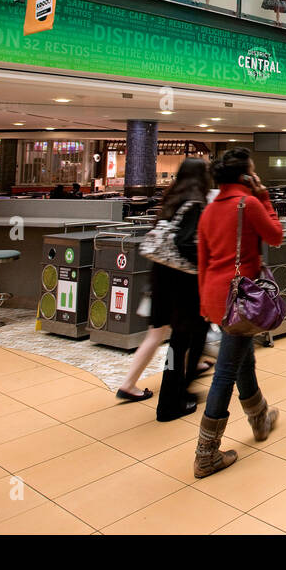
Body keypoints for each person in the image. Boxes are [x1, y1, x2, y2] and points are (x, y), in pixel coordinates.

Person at [192, 148, 284, 478]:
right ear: (245, 176)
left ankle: (260, 419)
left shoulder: (208, 211)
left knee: (244, 358)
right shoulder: (249, 204)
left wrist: (206, 304)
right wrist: (264, 196)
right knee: (227, 370)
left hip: (217, 296)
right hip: (242, 298)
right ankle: (206, 453)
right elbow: (275, 235)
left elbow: (202, 262)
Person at [116, 157, 213, 419]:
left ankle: (171, 391)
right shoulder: (195, 204)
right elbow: (186, 244)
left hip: (160, 275)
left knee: (164, 335)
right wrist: (207, 262)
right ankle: (174, 399)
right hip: (183, 279)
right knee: (186, 337)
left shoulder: (170, 200)